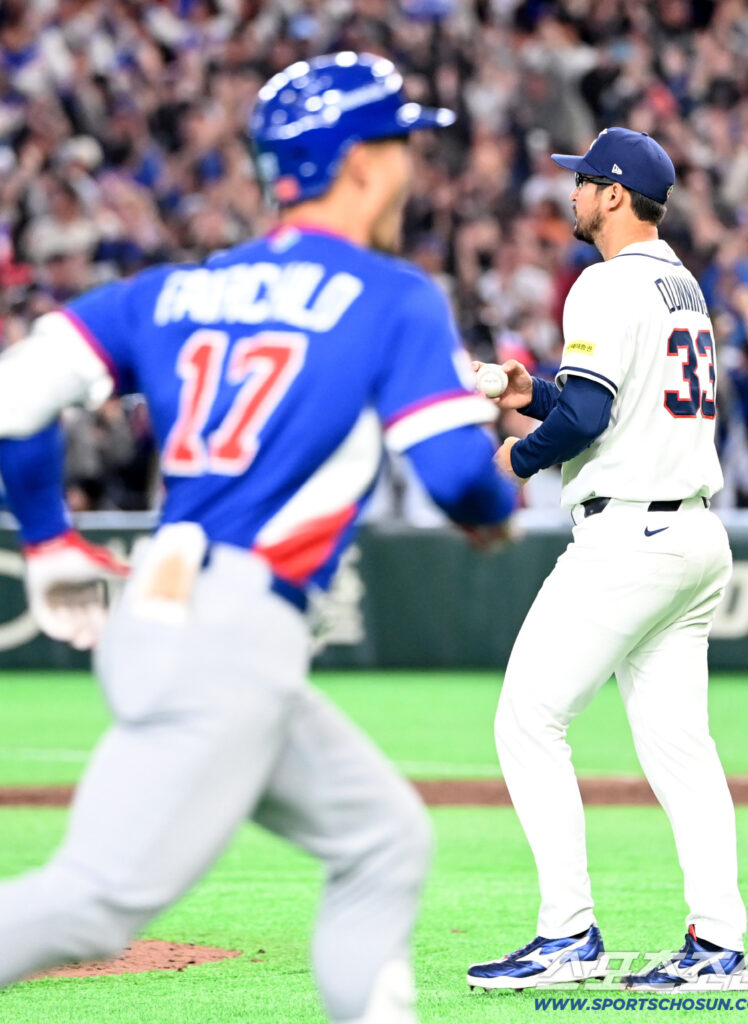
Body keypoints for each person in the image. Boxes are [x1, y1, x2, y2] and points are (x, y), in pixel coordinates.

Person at [0, 53, 516, 1024]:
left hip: (173, 608)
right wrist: (497, 505)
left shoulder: (172, 291)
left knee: (383, 840)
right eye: (400, 146)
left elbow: (14, 399)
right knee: (95, 901)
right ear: (358, 163)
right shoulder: (390, 293)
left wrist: (47, 538)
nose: (410, 168)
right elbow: (456, 476)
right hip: (233, 633)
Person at [466, 128, 748, 993]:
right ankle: (718, 945)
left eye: (585, 181)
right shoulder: (678, 283)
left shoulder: (602, 281)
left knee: (526, 720)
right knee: (681, 751)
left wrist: (517, 457)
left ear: (615, 195)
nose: (574, 192)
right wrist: (535, 396)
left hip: (629, 539)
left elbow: (589, 418)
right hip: (691, 536)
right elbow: (605, 403)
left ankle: (566, 935)